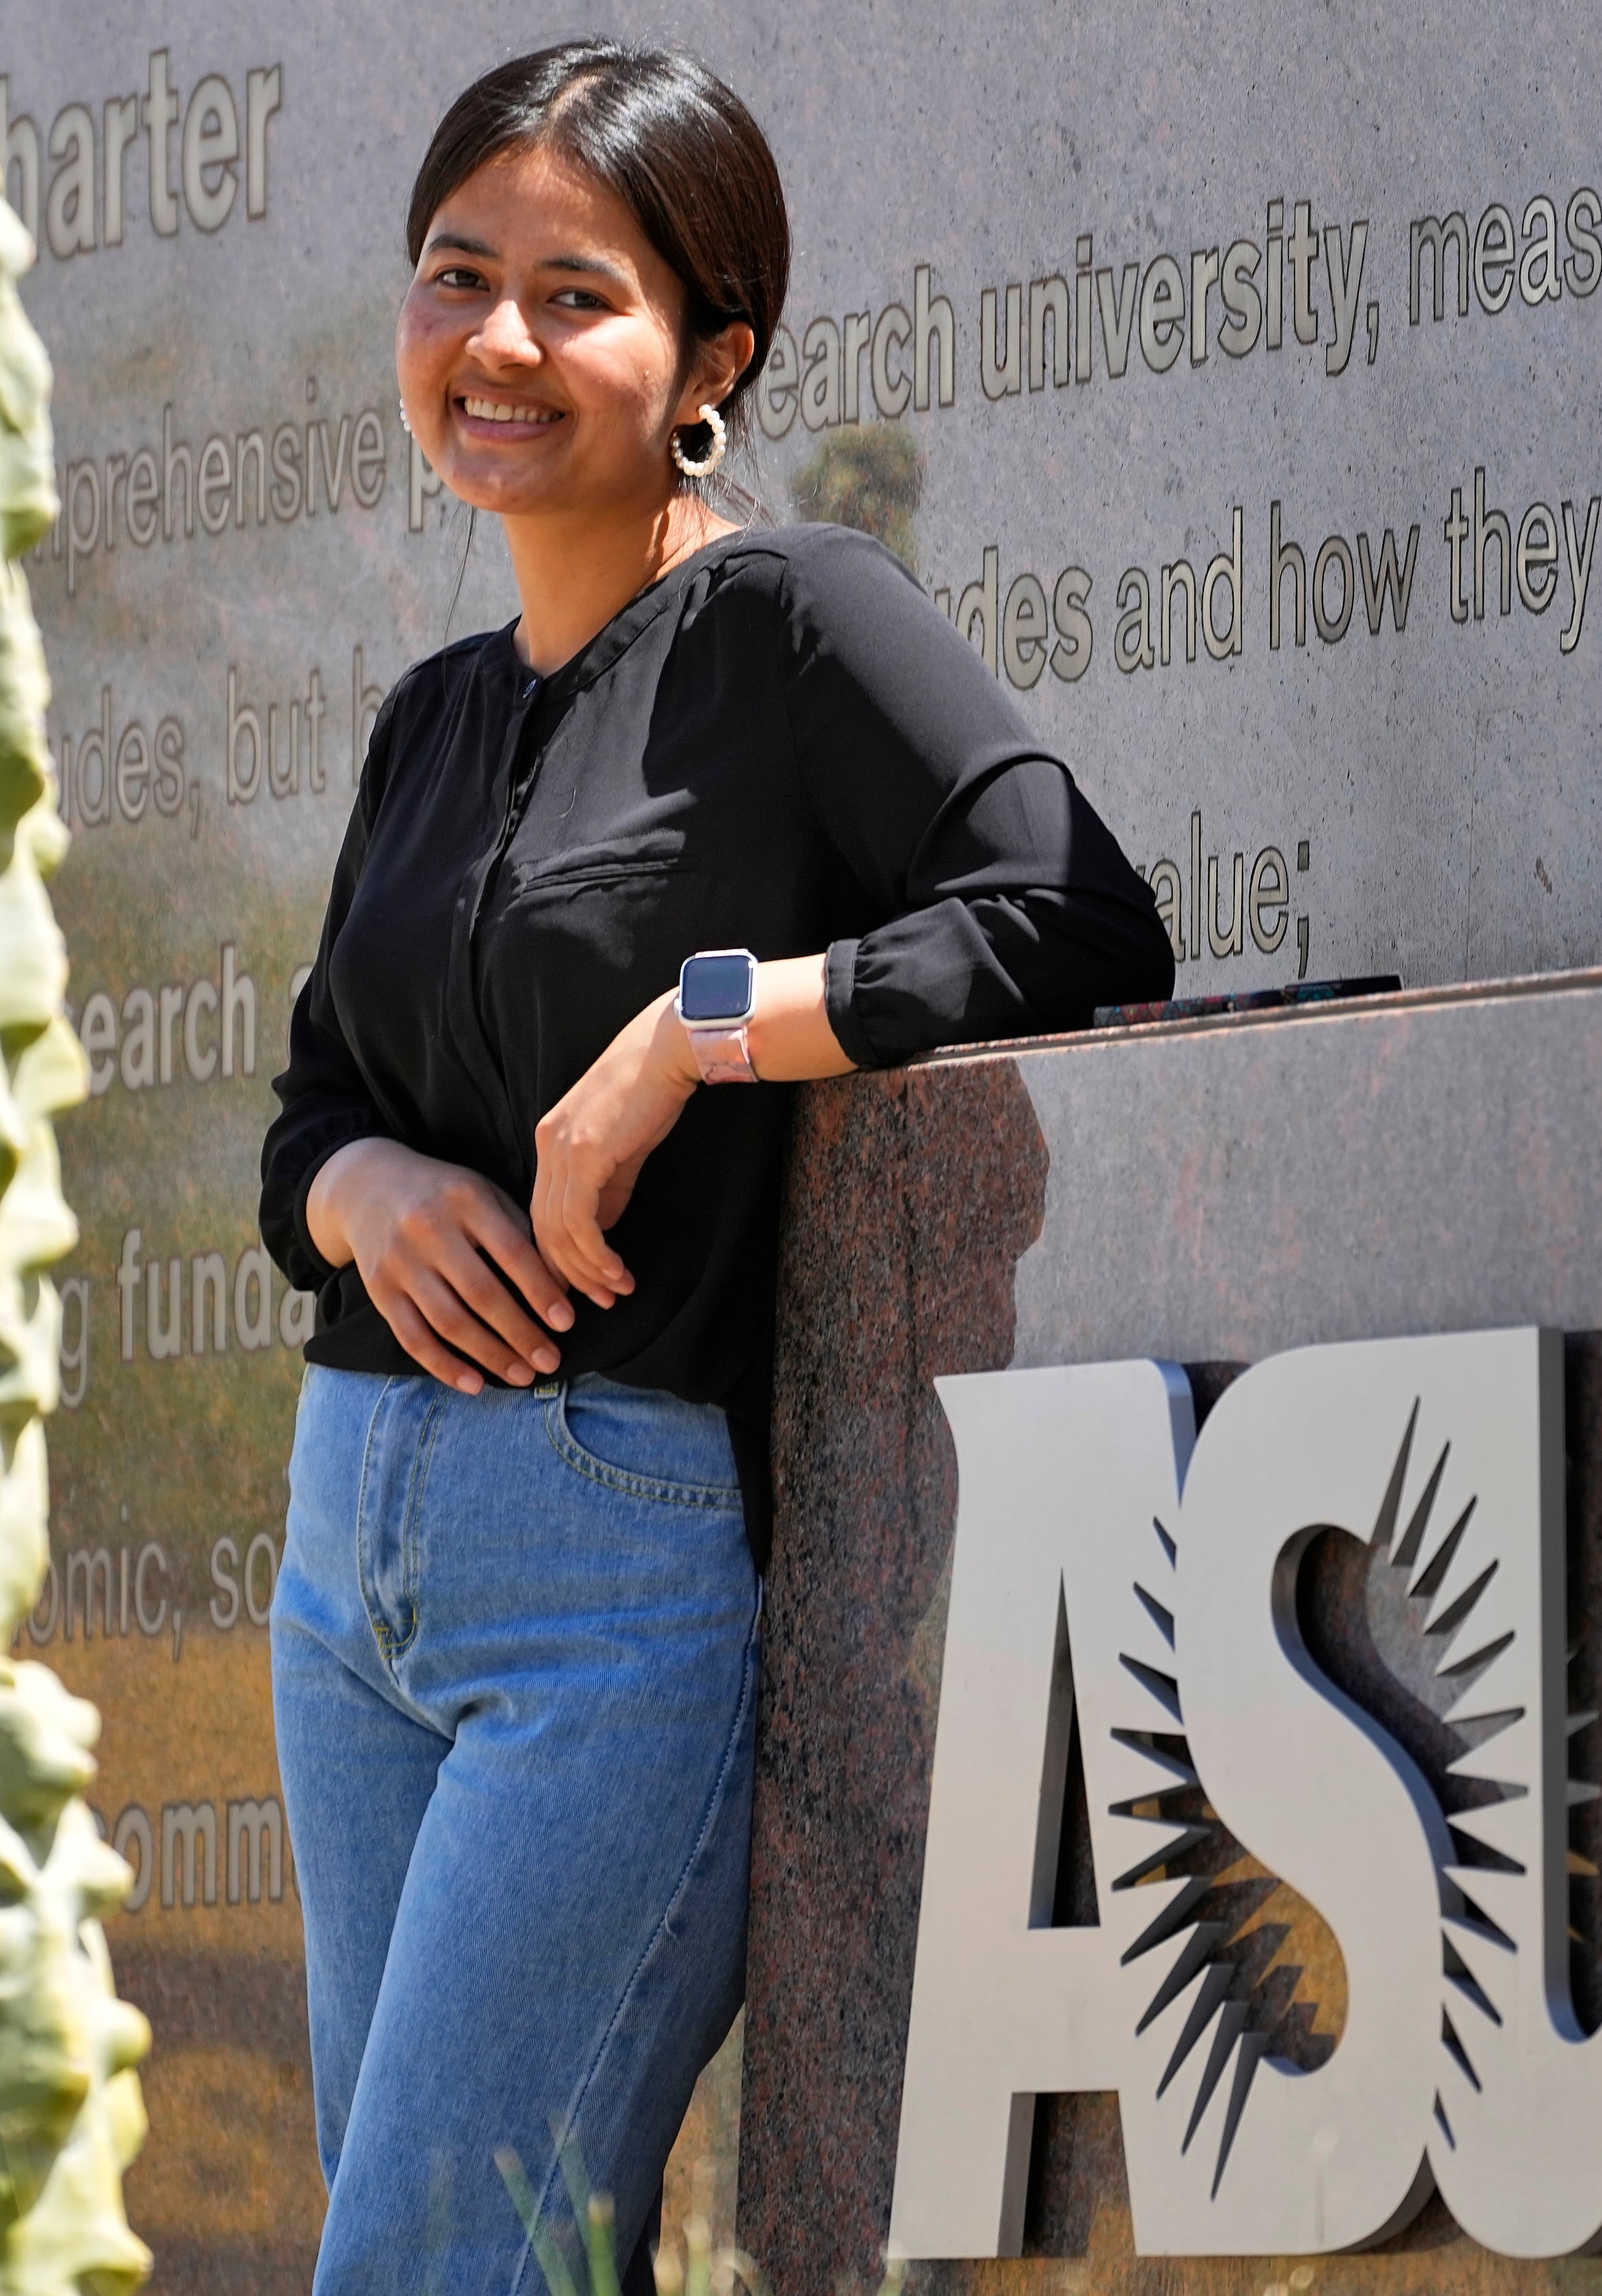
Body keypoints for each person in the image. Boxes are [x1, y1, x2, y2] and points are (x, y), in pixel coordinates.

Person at [256, 41, 1172, 2295]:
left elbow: (1076, 911)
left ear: (711, 361)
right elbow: (304, 1121)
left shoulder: (790, 626)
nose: (497, 341)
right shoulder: (435, 718)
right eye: (457, 276)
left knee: (427, 2268)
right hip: (346, 1560)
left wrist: (697, 1034)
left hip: (603, 1577)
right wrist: (369, 1195)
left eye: (577, 294)